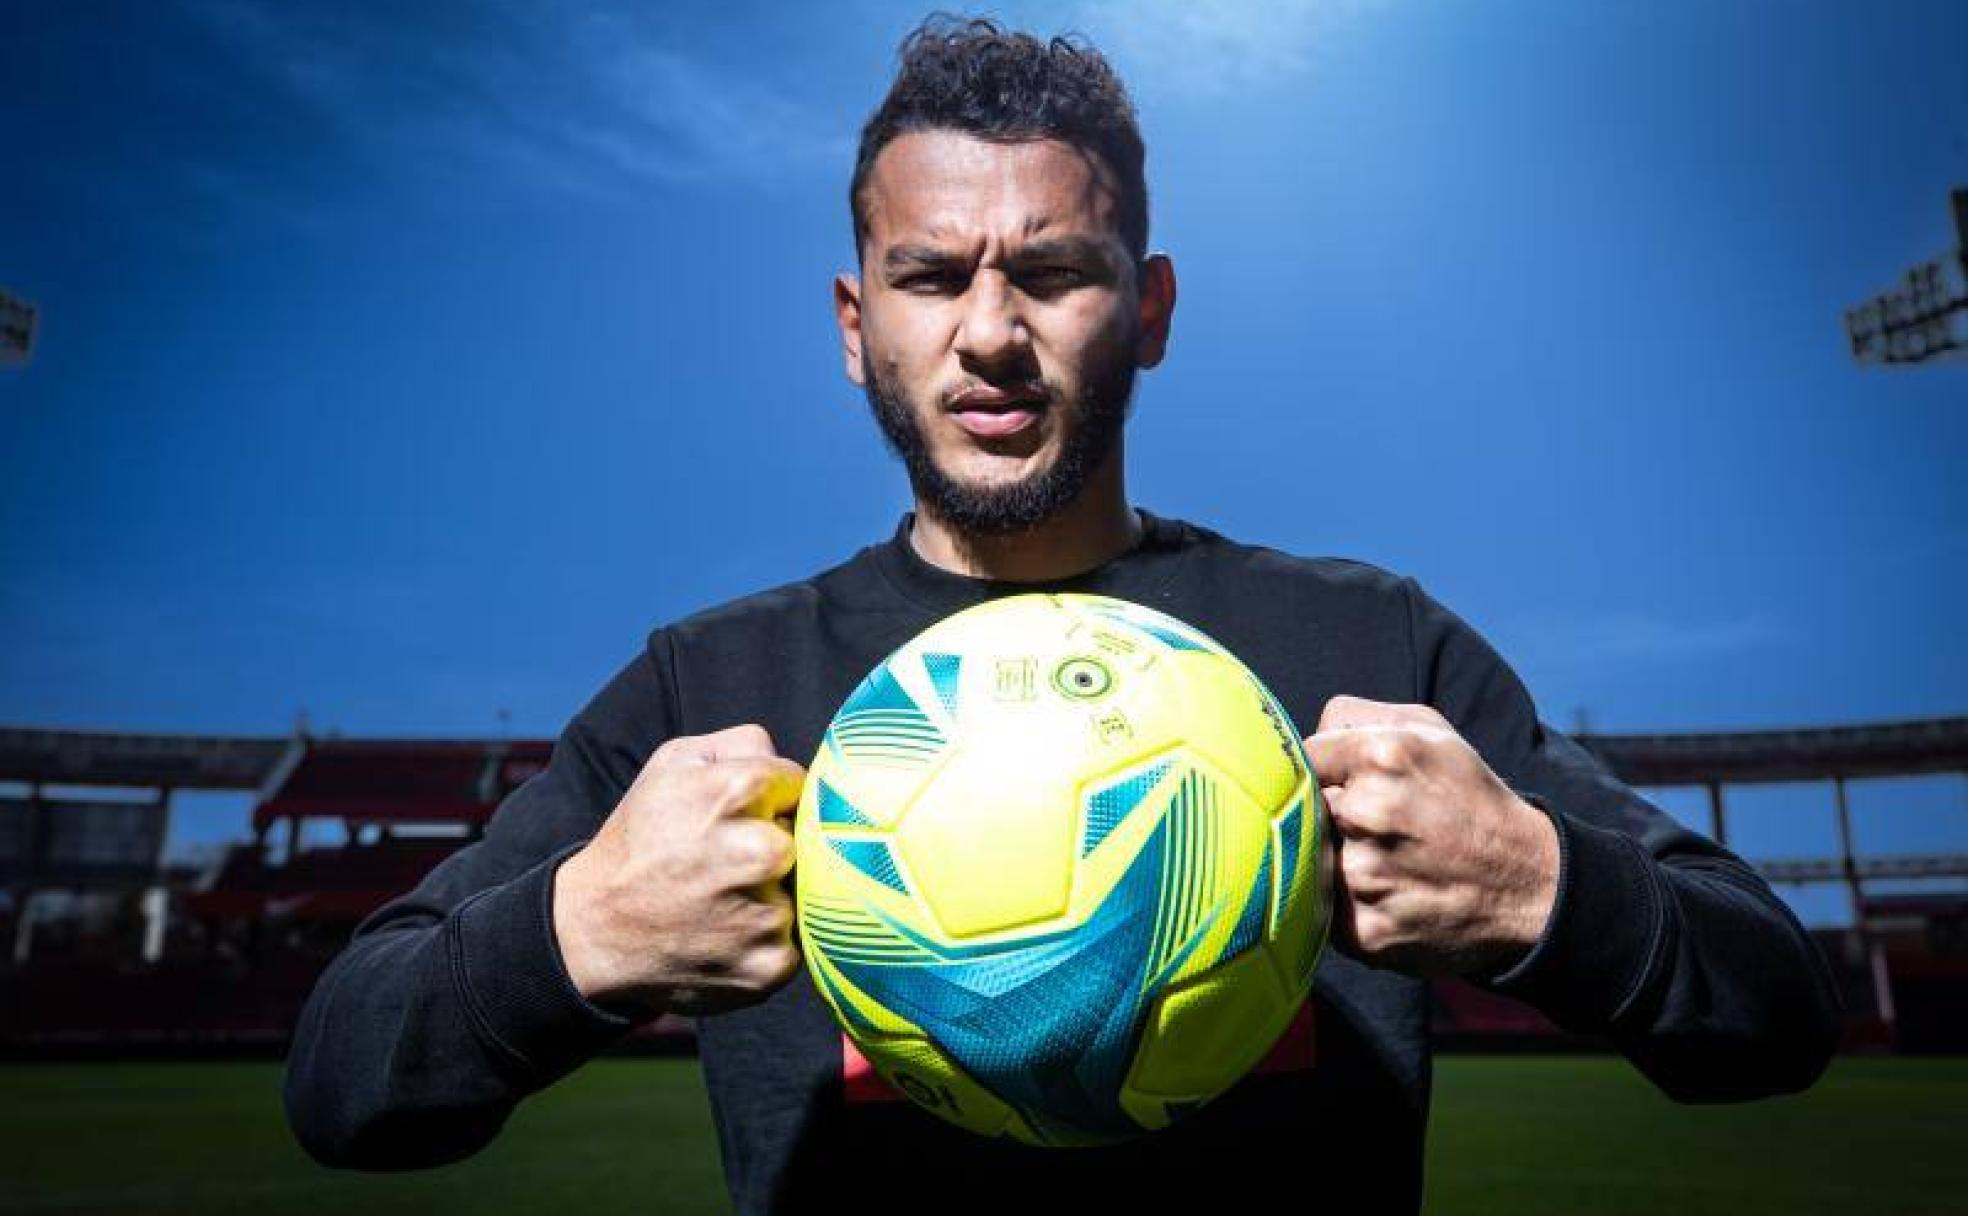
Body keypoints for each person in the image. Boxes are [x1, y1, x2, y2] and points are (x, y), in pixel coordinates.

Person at [284, 18, 1841, 1214]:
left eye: (1053, 271)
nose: (989, 333)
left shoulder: (1371, 646)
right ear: (854, 325)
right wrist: (577, 936)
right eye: (927, 275)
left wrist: (1550, 890)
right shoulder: (715, 684)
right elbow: (344, 1084)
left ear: (1148, 309)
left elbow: (1776, 1011)